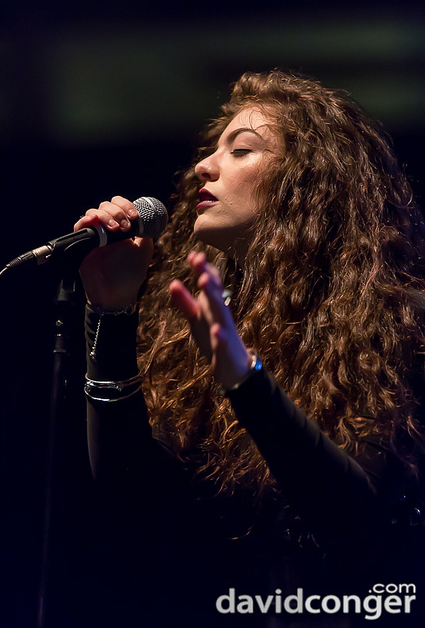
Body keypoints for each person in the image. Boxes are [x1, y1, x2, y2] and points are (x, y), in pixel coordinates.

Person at [74, 71, 425, 627]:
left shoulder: (399, 318)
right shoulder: (195, 324)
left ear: (308, 183)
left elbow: (357, 519)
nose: (204, 167)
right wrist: (112, 314)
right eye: (213, 150)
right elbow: (131, 501)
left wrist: (245, 380)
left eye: (241, 150)